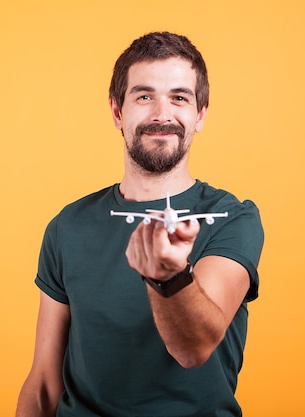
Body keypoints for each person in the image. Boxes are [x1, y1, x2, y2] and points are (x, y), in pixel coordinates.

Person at [16, 31, 264, 417]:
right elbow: (44, 383)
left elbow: (194, 348)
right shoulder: (68, 226)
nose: (161, 114)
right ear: (117, 111)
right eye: (144, 96)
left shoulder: (233, 218)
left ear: (200, 115)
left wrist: (168, 277)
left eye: (179, 97)